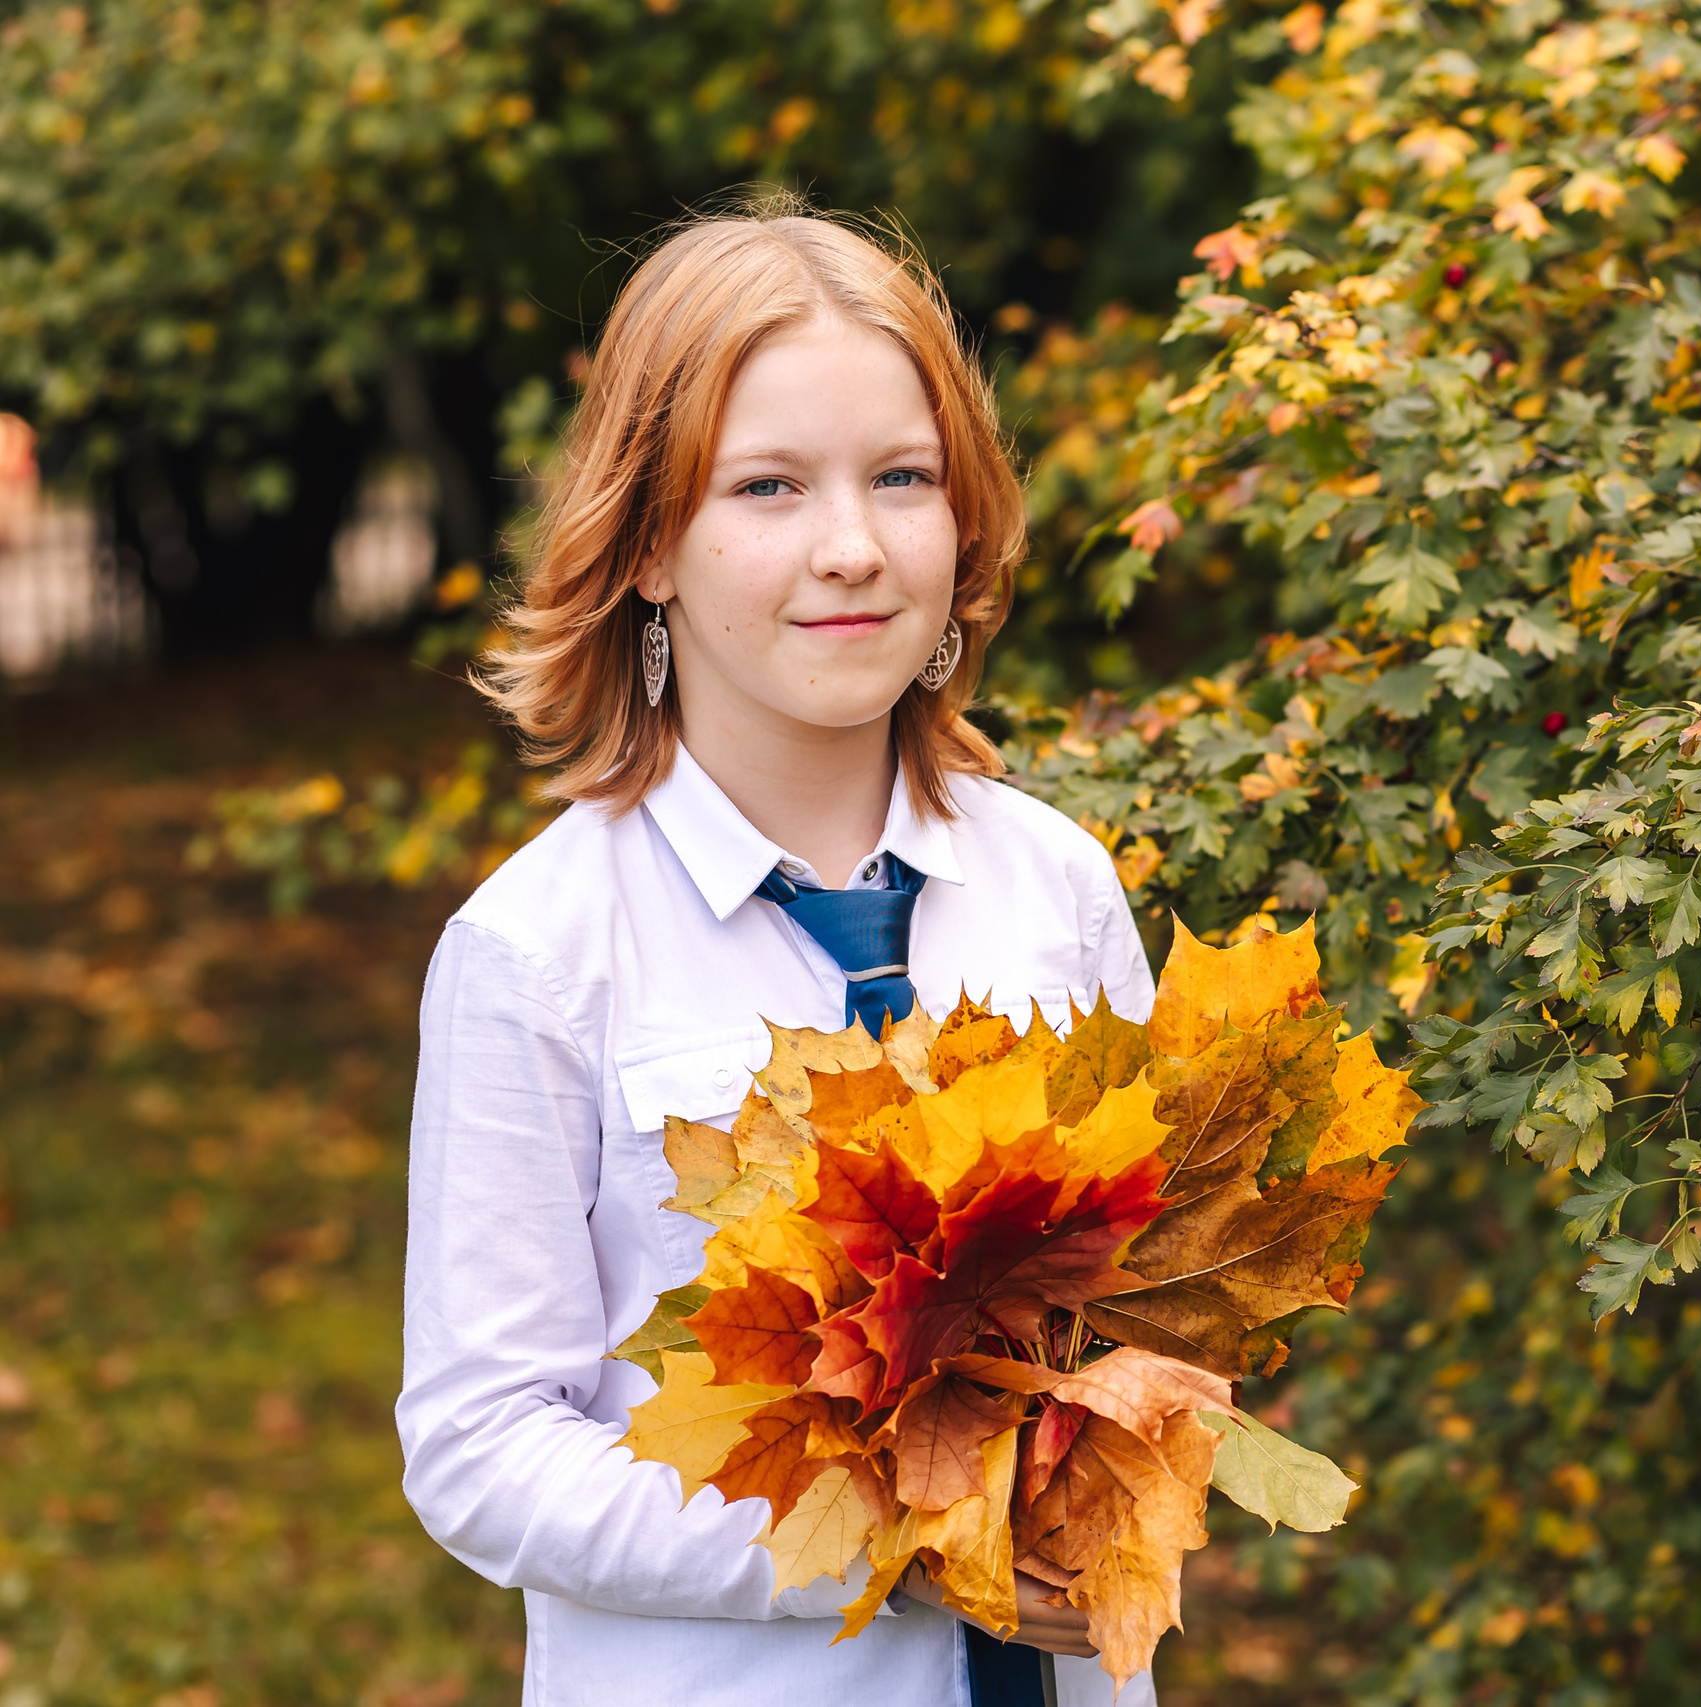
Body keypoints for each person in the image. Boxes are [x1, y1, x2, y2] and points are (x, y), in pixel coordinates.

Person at [395, 199, 1157, 1707]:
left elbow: (1159, 1318)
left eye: (901, 477)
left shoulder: (1057, 887)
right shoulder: (542, 951)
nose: (853, 546)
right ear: (650, 546)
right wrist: (897, 1534)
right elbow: (484, 1453)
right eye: (767, 486)